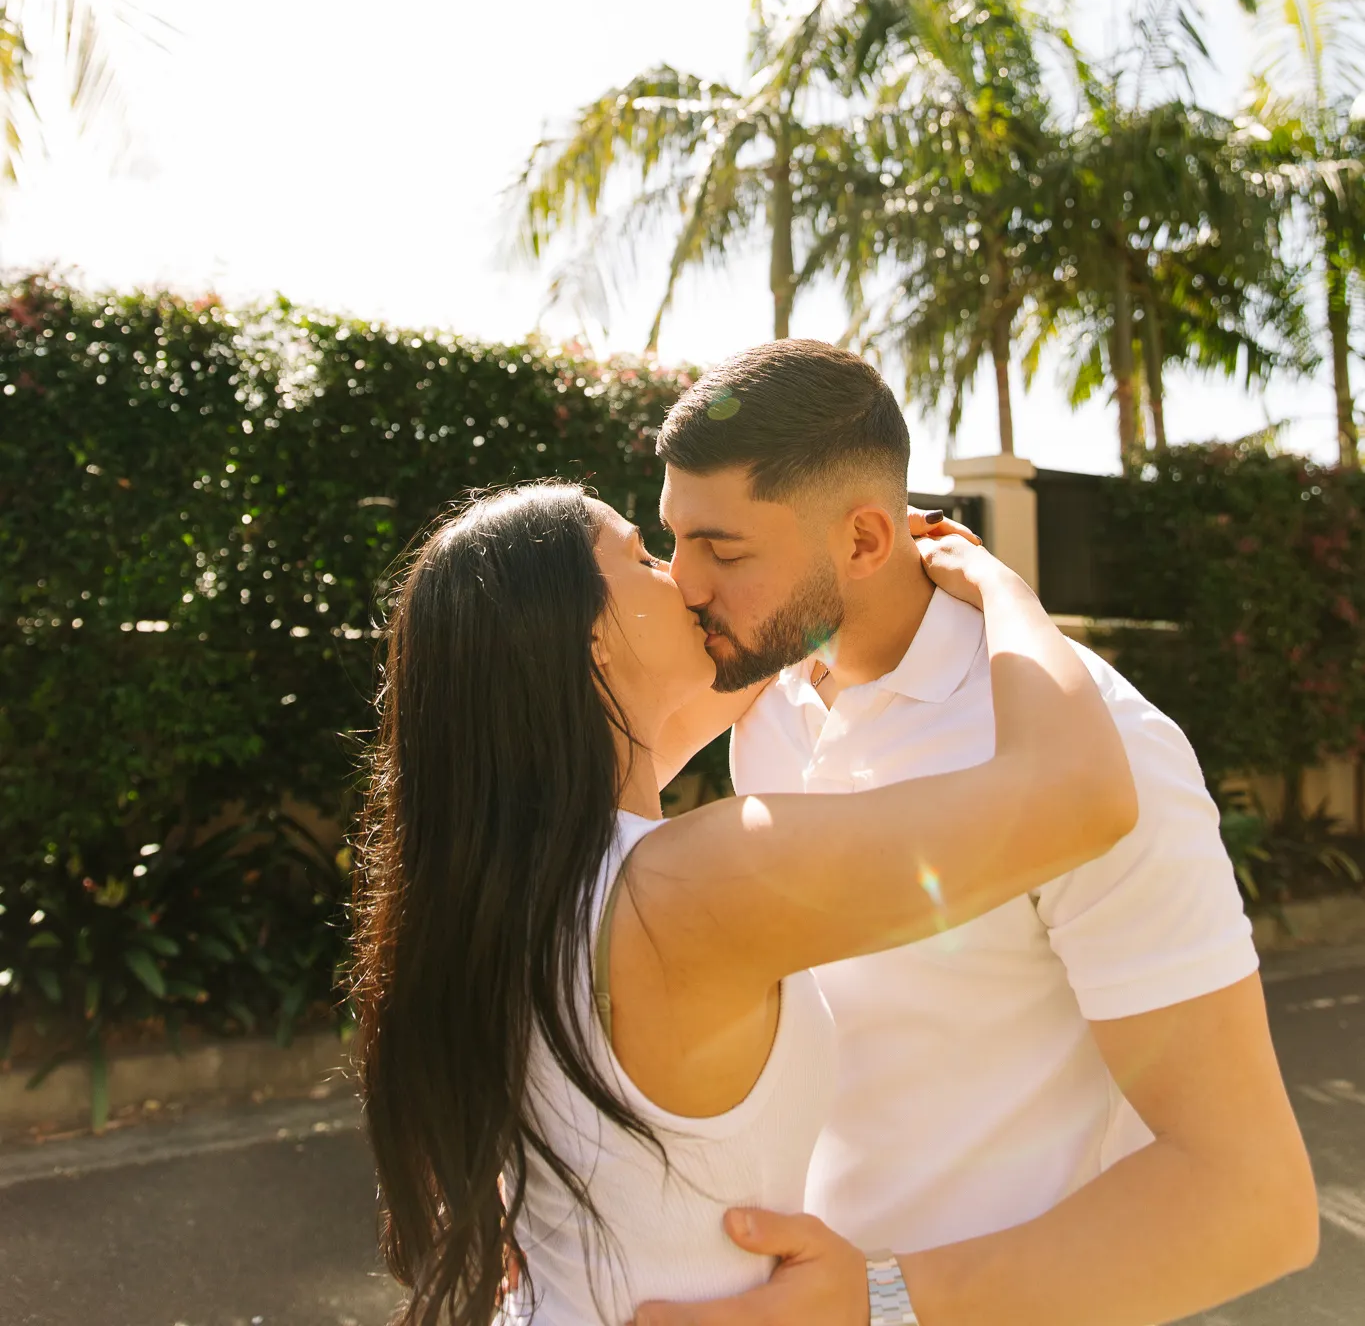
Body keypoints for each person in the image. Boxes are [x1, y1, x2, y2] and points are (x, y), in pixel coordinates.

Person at [636, 340, 1319, 1326]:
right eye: (674, 538)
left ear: (864, 541)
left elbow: (1250, 1202)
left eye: (724, 548)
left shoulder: (1100, 751)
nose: (683, 582)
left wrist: (876, 1304)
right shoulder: (765, 704)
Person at [351, 478, 1136, 1326]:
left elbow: (725, 683)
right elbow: (1079, 795)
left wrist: (806, 583)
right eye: (644, 558)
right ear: (590, 637)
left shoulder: (511, 878)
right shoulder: (695, 883)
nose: (686, 580)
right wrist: (997, 586)